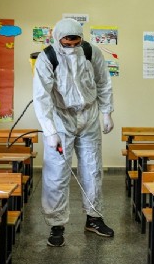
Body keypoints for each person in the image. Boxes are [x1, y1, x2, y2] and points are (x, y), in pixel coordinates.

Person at [33, 18, 115, 247]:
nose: (71, 47)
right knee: (56, 172)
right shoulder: (47, 57)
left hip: (89, 115)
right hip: (61, 117)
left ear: (81, 39)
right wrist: (50, 131)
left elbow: (104, 82)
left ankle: (94, 218)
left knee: (92, 168)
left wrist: (107, 112)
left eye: (75, 43)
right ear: (58, 39)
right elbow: (41, 96)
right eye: (67, 44)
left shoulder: (91, 52)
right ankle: (56, 224)